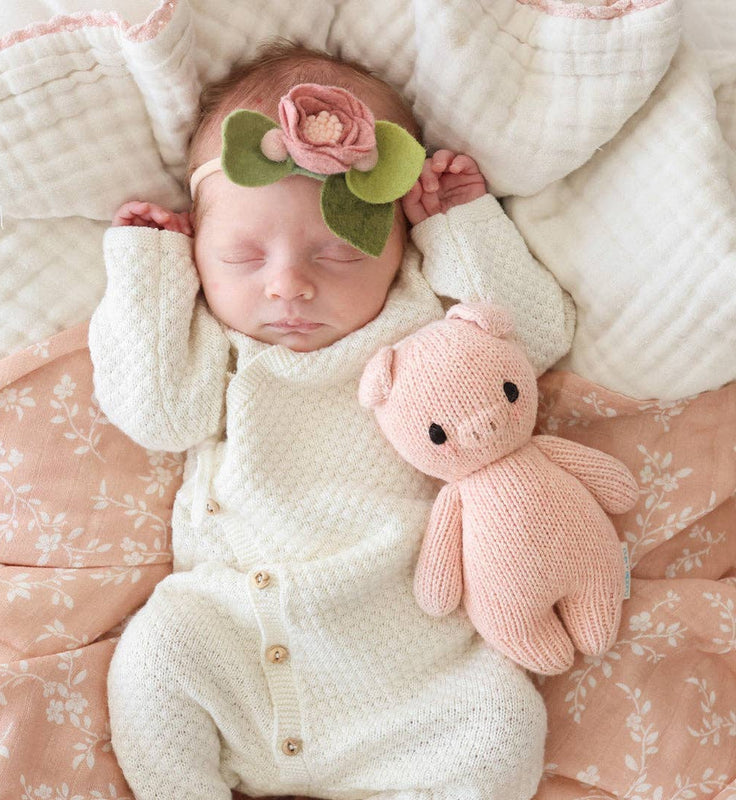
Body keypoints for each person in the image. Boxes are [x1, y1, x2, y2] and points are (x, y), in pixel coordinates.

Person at [89, 40, 575, 800]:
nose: (289, 287)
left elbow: (531, 339)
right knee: (156, 655)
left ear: (398, 246)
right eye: (243, 257)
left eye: (339, 255)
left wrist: (458, 225)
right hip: (239, 636)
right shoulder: (216, 349)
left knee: (502, 728)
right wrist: (150, 271)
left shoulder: (421, 318)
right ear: (198, 254)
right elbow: (155, 415)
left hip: (415, 670)